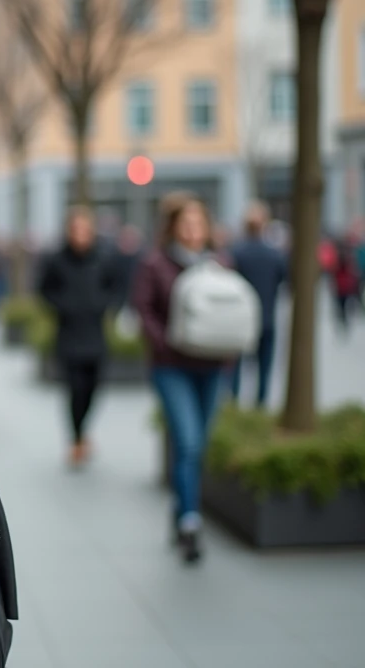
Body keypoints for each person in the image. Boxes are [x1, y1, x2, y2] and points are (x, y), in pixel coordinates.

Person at [132, 192, 227, 565]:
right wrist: (167, 342)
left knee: (198, 444)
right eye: (185, 223)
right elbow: (144, 310)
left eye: (198, 222)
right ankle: (190, 522)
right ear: (173, 227)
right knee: (188, 442)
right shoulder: (155, 264)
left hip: (212, 367)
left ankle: (180, 508)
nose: (192, 229)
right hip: (171, 367)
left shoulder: (219, 264)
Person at [37, 207, 119, 468]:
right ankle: (76, 438)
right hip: (69, 335)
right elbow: (43, 289)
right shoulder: (56, 260)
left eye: (86, 229)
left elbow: (116, 285)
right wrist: (63, 306)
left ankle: (83, 432)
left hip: (95, 334)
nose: (81, 235)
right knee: (75, 389)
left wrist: (104, 304)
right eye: (76, 229)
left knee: (94, 387)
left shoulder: (103, 258)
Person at [230, 202, 287, 407]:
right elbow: (284, 280)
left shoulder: (236, 252)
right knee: (264, 367)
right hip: (266, 317)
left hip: (238, 319)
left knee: (235, 366)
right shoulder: (274, 253)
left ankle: (234, 402)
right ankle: (260, 405)